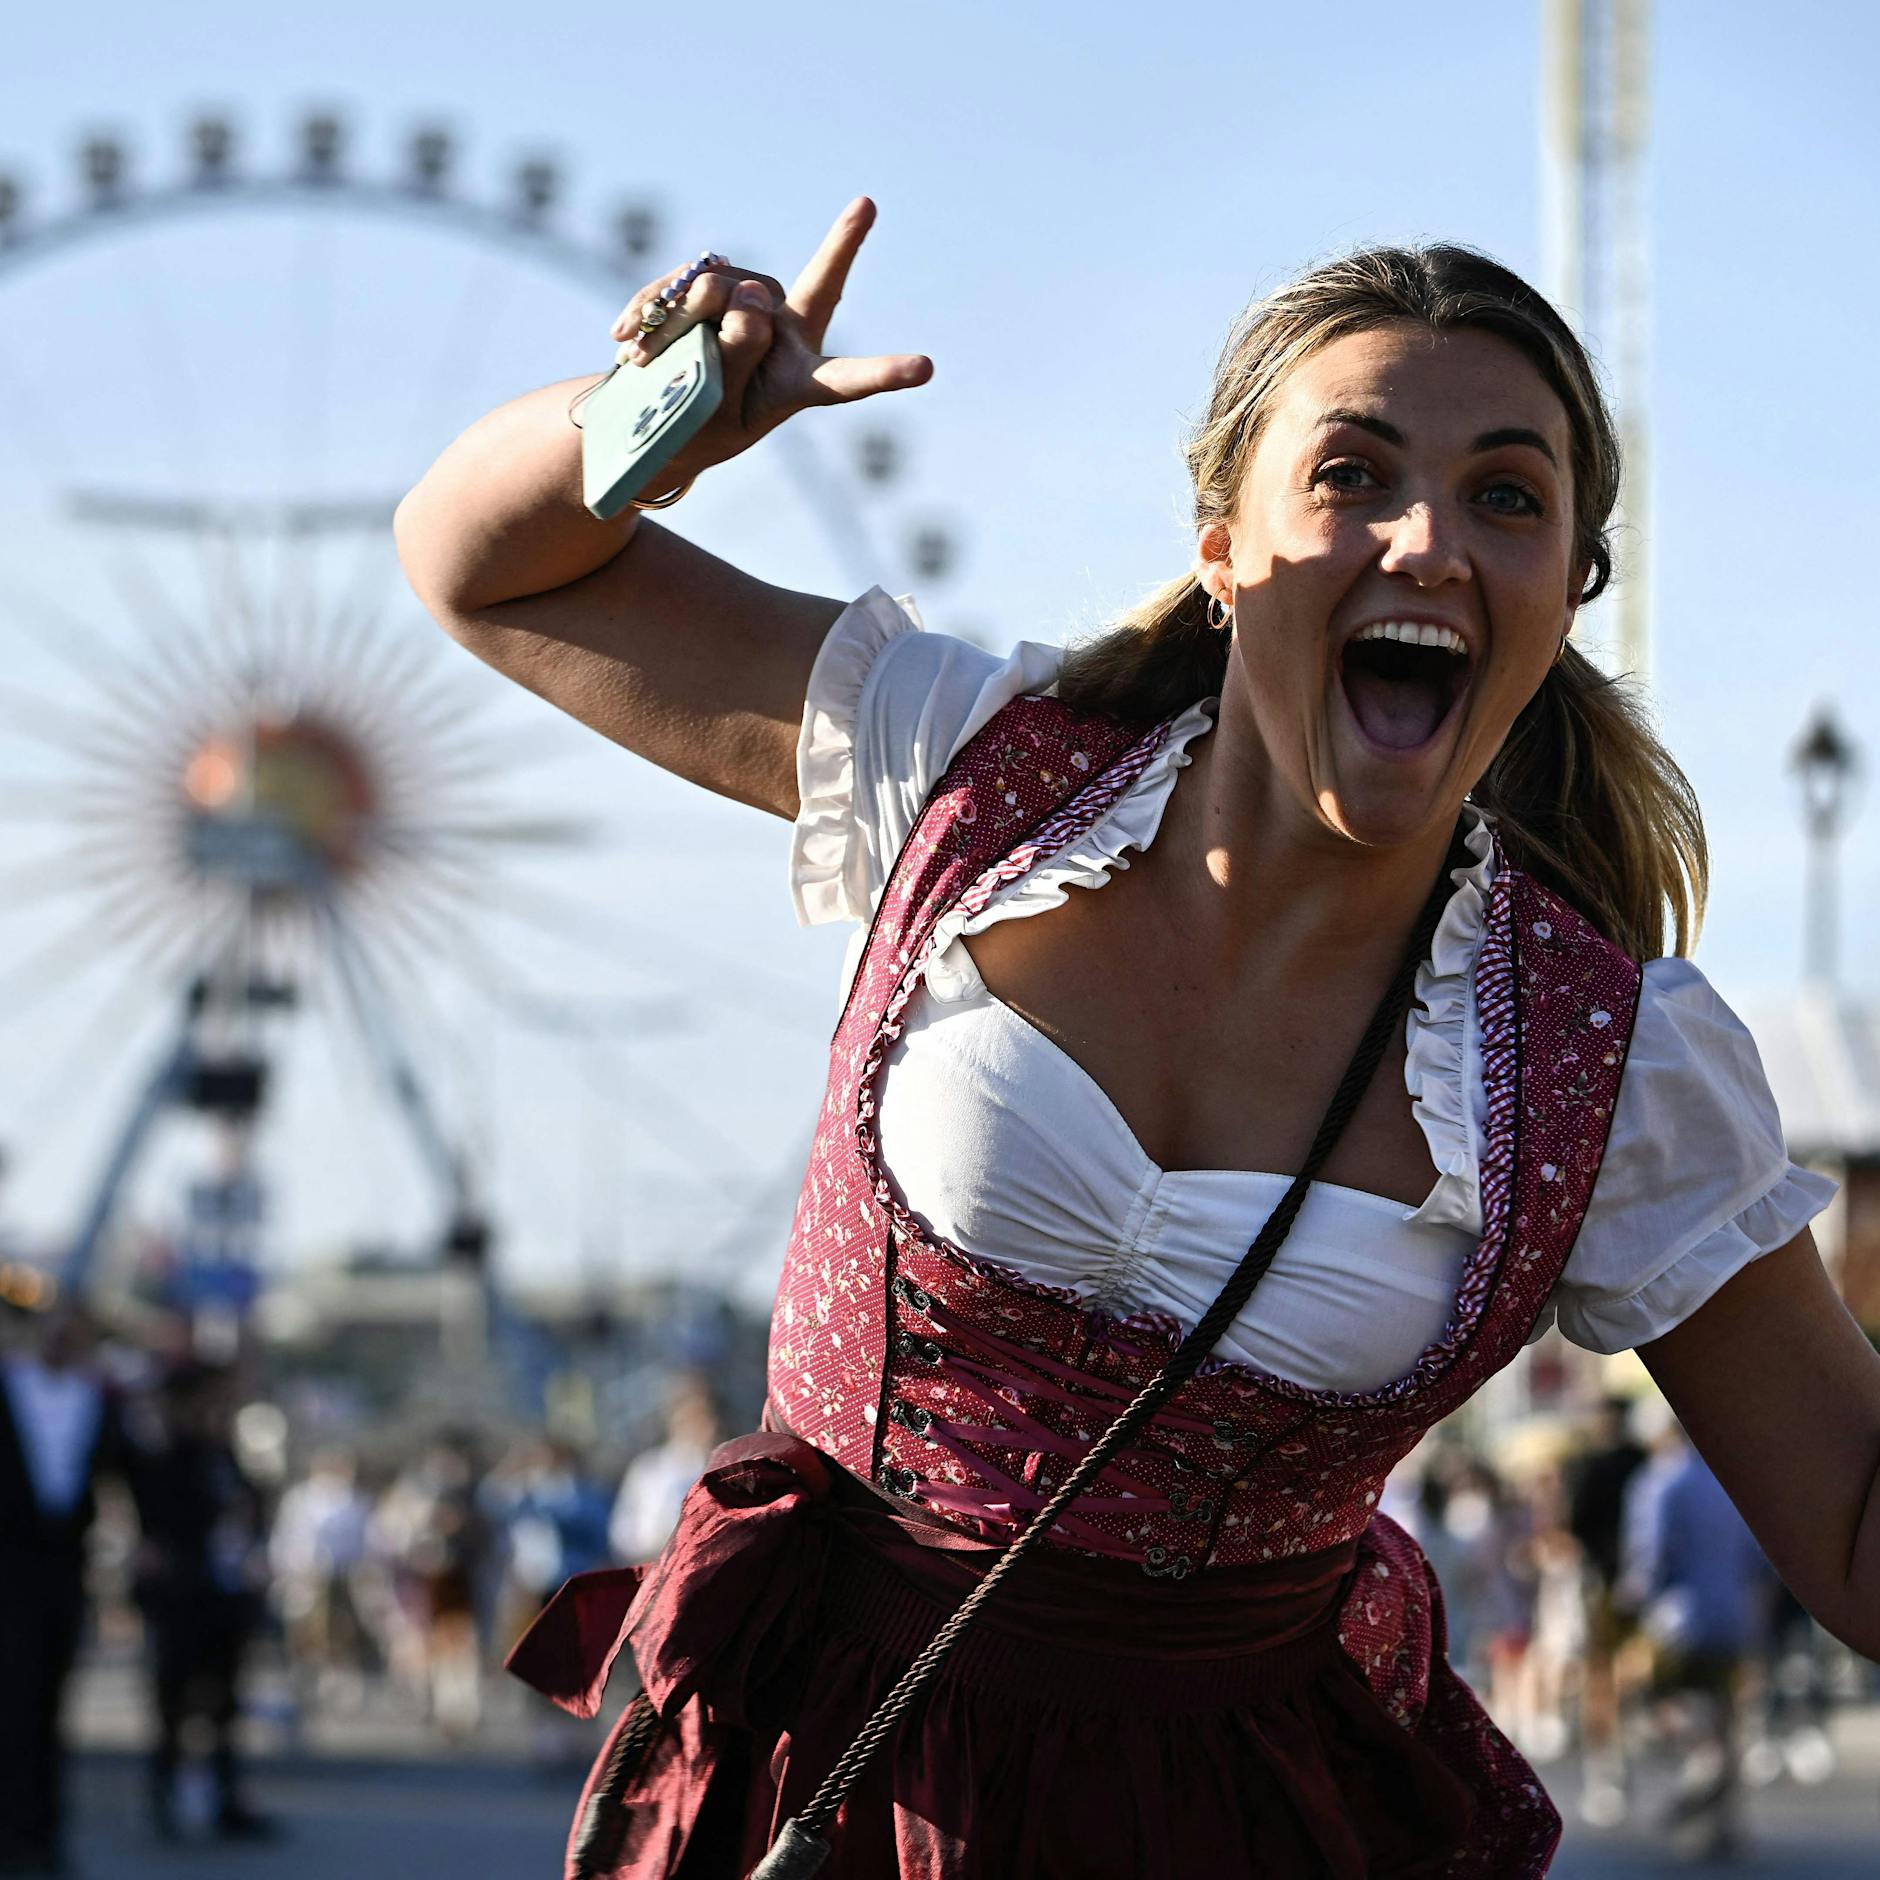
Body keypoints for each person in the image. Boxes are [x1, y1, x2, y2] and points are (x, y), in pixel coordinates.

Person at [396, 201, 1880, 1878]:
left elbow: (1850, 1531)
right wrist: (659, 417)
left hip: (1233, 1827)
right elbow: (479, 561)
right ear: (1219, 540)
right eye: (1354, 476)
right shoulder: (970, 767)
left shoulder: (1609, 1063)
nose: (1430, 542)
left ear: (1567, 591)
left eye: (1508, 498)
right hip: (820, 1777)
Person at [0, 1300, 126, 1877]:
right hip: (8, 1573)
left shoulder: (98, 1401)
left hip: (63, 1574)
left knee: (50, 1708)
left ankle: (43, 1834)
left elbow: (124, 1477)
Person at [128, 1360, 276, 1844]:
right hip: (182, 1600)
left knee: (225, 1705)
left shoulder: (227, 1456)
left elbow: (250, 1511)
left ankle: (225, 1800)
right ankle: (167, 1797)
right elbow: (162, 1521)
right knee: (174, 1703)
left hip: (226, 1597)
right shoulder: (165, 1456)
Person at [1620, 1411, 1773, 1860]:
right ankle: (1725, 1819)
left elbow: (1650, 1555)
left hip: (1678, 1618)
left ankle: (1701, 1781)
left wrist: (1632, 1602)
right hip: (1734, 1611)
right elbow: (1759, 1558)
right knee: (1727, 1715)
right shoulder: (1733, 1481)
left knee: (1663, 1703)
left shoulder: (1660, 1483)